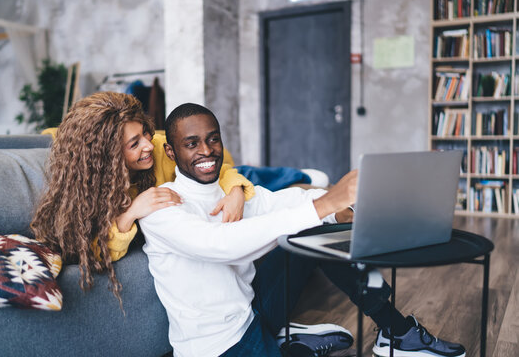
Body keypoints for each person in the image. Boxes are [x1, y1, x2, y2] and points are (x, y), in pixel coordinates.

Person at [139, 103, 466, 357]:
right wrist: (322, 205)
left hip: (252, 313)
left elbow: (287, 200)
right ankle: (288, 341)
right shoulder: (160, 210)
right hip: (218, 346)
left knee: (314, 228)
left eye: (213, 139)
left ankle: (395, 331)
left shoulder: (232, 190)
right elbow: (220, 244)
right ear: (171, 151)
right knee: (310, 215)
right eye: (191, 144)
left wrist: (340, 212)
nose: (207, 151)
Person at [30, 92, 254, 307]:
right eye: (134, 144)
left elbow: (214, 162)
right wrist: (130, 214)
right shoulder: (87, 188)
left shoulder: (159, 148)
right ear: (108, 156)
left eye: (145, 133)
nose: (148, 144)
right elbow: (93, 251)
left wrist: (235, 189)